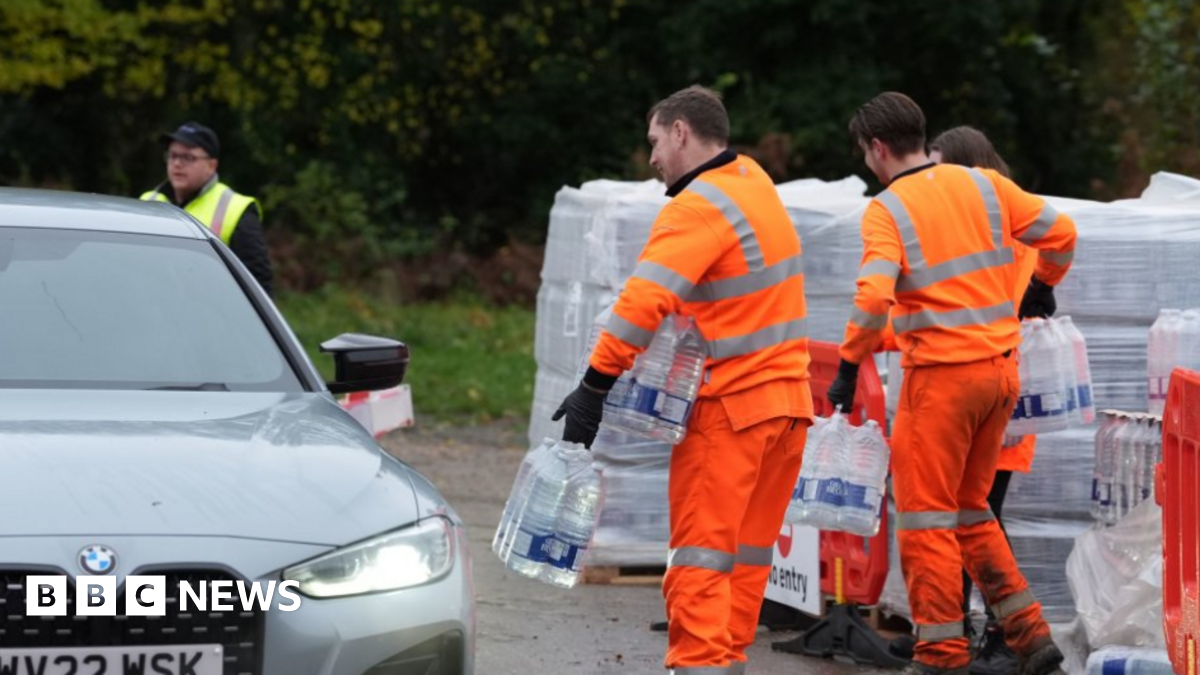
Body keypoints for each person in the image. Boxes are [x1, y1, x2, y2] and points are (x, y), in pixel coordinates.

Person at [553, 85, 813, 674]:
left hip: (732, 412)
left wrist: (594, 386)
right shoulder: (754, 182)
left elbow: (643, 302)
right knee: (743, 564)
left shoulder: (698, 205)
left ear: (679, 132)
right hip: (787, 408)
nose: (651, 160)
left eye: (654, 142)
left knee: (698, 563)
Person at [827, 92, 1076, 675]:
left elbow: (872, 299)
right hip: (998, 377)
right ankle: (1031, 637)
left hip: (940, 384)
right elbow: (1061, 233)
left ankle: (940, 656)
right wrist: (1042, 284)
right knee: (970, 510)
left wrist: (847, 365)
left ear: (877, 148)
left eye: (866, 153)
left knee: (925, 517)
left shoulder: (887, 210)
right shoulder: (984, 185)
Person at [930, 125, 1050, 675]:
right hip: (996, 389)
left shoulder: (988, 227)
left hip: (981, 387)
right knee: (974, 516)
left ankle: (1003, 638)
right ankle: (980, 635)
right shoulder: (1013, 219)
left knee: (978, 520)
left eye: (939, 168)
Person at [141, 122, 273, 296]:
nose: (177, 164)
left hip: (210, 316)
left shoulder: (236, 209)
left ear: (211, 166)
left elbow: (258, 286)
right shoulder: (147, 202)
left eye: (188, 157)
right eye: (173, 155)